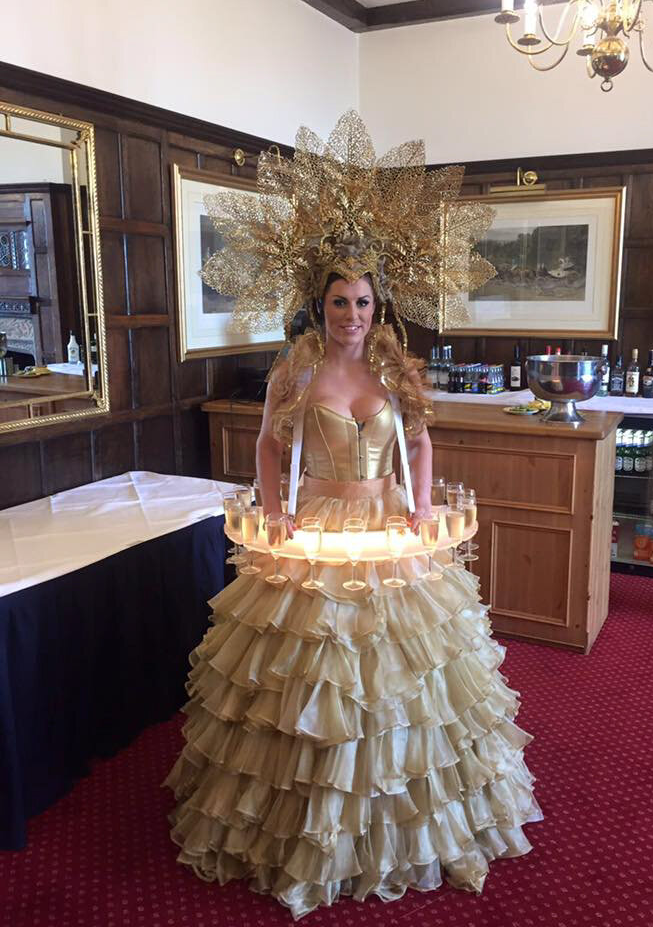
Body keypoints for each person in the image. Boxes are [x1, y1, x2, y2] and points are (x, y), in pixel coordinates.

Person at [164, 112, 542, 920]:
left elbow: (424, 443)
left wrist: (421, 505)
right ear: (319, 303)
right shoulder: (294, 372)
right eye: (339, 302)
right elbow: (268, 446)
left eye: (364, 302)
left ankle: (404, 821)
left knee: (407, 675)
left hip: (391, 524)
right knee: (308, 672)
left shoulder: (398, 368)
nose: (352, 315)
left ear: (378, 304)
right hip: (318, 524)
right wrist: (276, 513)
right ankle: (305, 823)